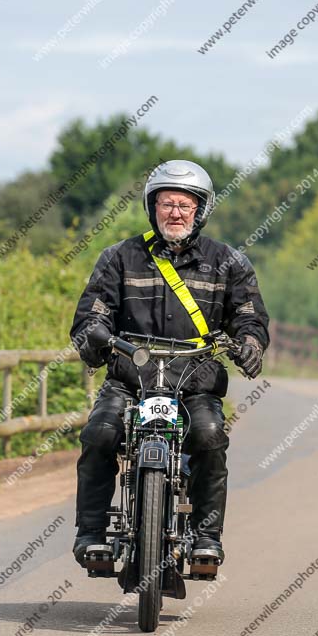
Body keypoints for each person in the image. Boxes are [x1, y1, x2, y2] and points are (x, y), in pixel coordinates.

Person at [70, 159, 269, 568]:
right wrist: (94, 333)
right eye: (166, 203)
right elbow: (93, 312)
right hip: (130, 377)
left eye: (185, 204)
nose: (175, 212)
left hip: (195, 380)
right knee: (99, 433)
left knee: (211, 435)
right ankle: (90, 533)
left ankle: (207, 538)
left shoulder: (229, 262)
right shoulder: (119, 258)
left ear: (201, 210)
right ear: (152, 207)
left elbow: (249, 316)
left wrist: (250, 343)